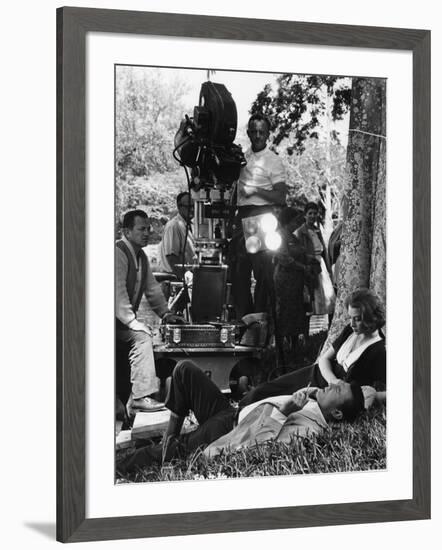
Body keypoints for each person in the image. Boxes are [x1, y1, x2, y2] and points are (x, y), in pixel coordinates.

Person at [117, 360, 365, 473]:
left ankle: (125, 464)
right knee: (184, 370)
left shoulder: (309, 429)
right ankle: (168, 441)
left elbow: (260, 445)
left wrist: (284, 411)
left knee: (170, 452)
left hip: (228, 431)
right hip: (231, 413)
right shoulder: (312, 400)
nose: (331, 385)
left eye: (337, 389)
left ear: (337, 413)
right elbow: (368, 394)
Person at [239, 288, 386, 408]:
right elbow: (325, 358)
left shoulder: (378, 350)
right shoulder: (351, 330)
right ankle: (236, 413)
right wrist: (333, 380)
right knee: (263, 391)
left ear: (370, 318)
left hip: (326, 395)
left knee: (273, 403)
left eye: (358, 319)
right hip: (315, 374)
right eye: (350, 318)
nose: (352, 323)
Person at [116, 209, 183, 414]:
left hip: (120, 322)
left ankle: (150, 392)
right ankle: (140, 397)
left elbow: (152, 288)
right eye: (141, 229)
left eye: (148, 229)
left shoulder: (141, 257)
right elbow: (116, 291)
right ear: (127, 232)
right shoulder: (118, 253)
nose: (146, 233)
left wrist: (165, 313)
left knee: (150, 335)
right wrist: (132, 321)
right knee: (143, 336)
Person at [231, 113, 287, 319]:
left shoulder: (273, 160)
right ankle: (243, 319)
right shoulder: (242, 158)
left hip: (262, 216)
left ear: (268, 134)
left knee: (262, 273)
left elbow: (281, 196)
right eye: (253, 132)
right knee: (239, 272)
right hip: (242, 215)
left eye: (261, 132)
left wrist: (255, 190)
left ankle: (261, 320)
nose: (257, 136)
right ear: (248, 133)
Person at [273, 207, 309, 362]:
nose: (297, 224)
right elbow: (284, 258)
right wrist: (303, 267)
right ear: (288, 221)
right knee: (286, 309)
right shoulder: (280, 236)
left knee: (296, 309)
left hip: (296, 280)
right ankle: (283, 343)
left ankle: (294, 342)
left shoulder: (293, 237)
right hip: (285, 279)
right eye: (295, 220)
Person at [294, 202, 335, 319]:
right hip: (309, 266)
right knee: (310, 298)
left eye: (315, 213)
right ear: (305, 215)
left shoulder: (317, 230)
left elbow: (324, 250)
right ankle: (305, 333)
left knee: (328, 296)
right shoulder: (300, 232)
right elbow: (298, 252)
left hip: (320, 265)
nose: (312, 216)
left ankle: (328, 330)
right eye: (310, 213)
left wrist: (328, 267)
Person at [158, 192, 195, 277]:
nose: (192, 210)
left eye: (193, 206)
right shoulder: (174, 226)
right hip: (175, 278)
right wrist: (183, 279)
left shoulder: (188, 225)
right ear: (179, 206)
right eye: (188, 207)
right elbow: (172, 257)